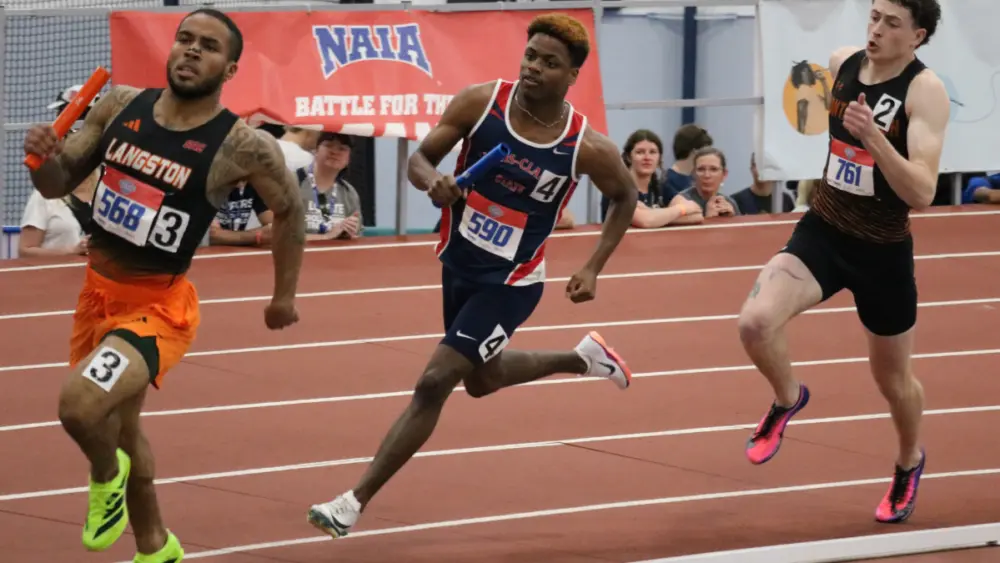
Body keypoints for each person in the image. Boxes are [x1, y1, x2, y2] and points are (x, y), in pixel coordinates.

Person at [307, 13, 639, 538]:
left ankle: (352, 502)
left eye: (550, 63)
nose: (534, 68)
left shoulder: (585, 145)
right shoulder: (480, 103)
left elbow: (625, 196)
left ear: (572, 75)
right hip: (459, 264)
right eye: (530, 55)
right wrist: (433, 182)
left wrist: (593, 266)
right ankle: (582, 359)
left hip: (511, 283)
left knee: (434, 381)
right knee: (482, 381)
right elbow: (420, 160)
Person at [21, 8, 306, 562]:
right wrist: (42, 160)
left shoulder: (241, 145)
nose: (192, 50)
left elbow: (291, 212)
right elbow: (58, 182)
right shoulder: (120, 105)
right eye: (185, 39)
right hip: (96, 295)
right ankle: (156, 547)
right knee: (123, 429)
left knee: (80, 407)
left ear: (230, 70)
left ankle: (106, 477)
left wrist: (283, 296)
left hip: (157, 309)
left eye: (209, 46)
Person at [736, 0, 946, 524]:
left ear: (917, 36)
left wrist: (874, 137)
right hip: (824, 232)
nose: (876, 29)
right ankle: (788, 398)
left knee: (893, 381)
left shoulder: (924, 91)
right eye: (874, 17)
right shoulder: (842, 62)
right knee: (755, 323)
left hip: (882, 253)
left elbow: (922, 193)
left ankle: (908, 461)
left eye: (891, 23)